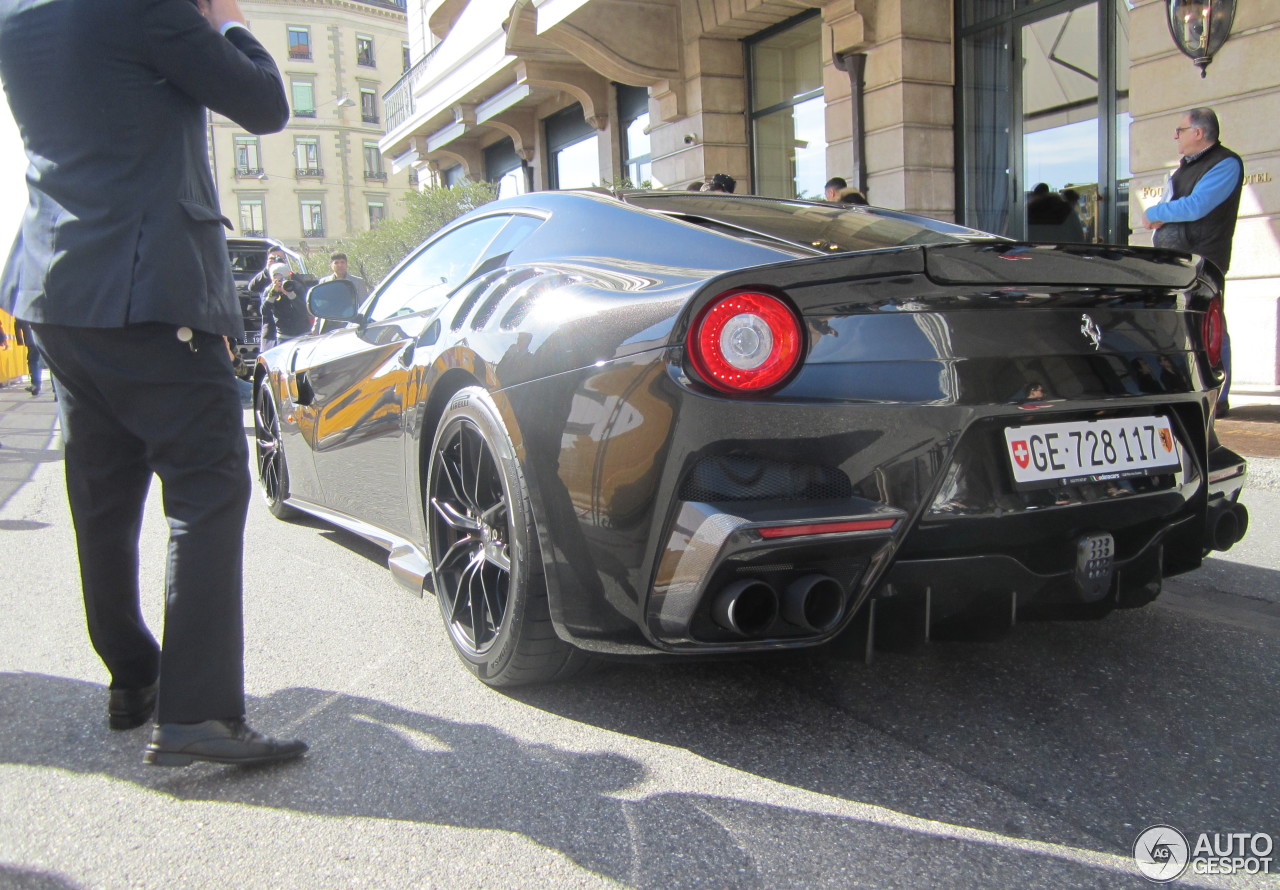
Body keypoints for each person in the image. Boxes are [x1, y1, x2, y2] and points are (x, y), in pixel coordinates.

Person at [0, 0, 307, 766]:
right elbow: (265, 104)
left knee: (102, 490)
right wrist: (229, 20)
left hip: (56, 292)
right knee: (208, 486)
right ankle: (198, 714)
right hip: (148, 285)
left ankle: (132, 676)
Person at [1141, 106, 1243, 416]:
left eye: (1180, 130)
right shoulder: (1185, 167)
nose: (1175, 135)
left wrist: (1154, 213)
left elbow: (1197, 206)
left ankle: (1218, 395)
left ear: (1198, 133)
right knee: (1177, 326)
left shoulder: (1225, 163)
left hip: (1202, 259)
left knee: (1208, 327)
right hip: (1176, 259)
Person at [260, 262, 314, 350]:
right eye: (276, 279)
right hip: (283, 334)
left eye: (283, 278)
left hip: (303, 332)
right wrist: (273, 294)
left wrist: (290, 294)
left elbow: (305, 310)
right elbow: (264, 312)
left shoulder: (297, 286)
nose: (280, 282)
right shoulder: (269, 290)